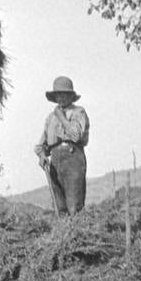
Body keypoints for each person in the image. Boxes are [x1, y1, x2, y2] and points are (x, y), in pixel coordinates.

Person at [34, 76, 90, 213]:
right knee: (60, 206)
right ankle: (63, 233)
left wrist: (61, 117)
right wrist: (41, 156)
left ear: (71, 96)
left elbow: (75, 136)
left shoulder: (78, 112)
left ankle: (77, 232)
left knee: (74, 205)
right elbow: (41, 145)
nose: (61, 98)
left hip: (73, 158)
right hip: (55, 160)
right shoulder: (50, 118)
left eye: (65, 94)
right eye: (58, 94)